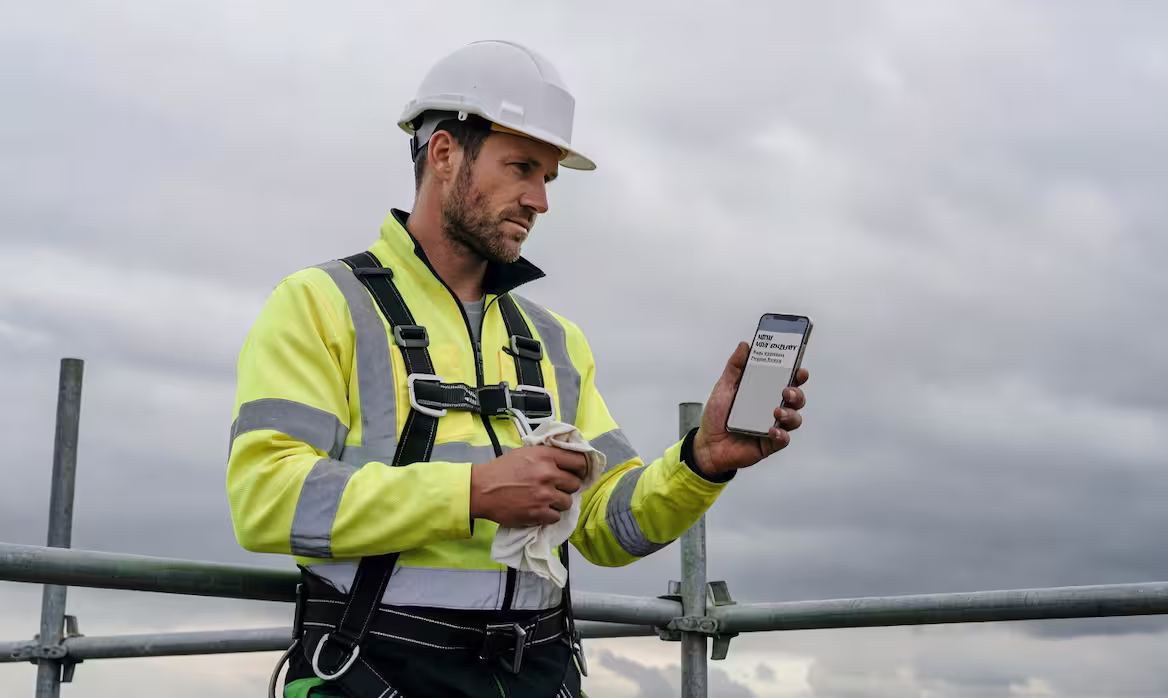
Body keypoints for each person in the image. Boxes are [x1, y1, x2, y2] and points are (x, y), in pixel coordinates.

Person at [225, 39, 809, 698]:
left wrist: (703, 461)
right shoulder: (321, 304)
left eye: (547, 178)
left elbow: (607, 528)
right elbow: (265, 501)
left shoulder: (554, 341)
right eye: (521, 168)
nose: (540, 200)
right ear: (444, 154)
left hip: (538, 675)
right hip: (370, 674)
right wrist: (472, 492)